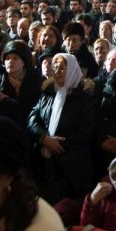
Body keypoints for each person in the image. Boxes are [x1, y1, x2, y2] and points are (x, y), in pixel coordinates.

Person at [28, 52, 95, 207]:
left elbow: (86, 131)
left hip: (72, 165)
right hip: (45, 161)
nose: (56, 71)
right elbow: (33, 117)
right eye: (55, 67)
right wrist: (43, 138)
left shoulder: (84, 98)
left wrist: (57, 145)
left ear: (72, 70)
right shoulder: (49, 92)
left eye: (62, 68)